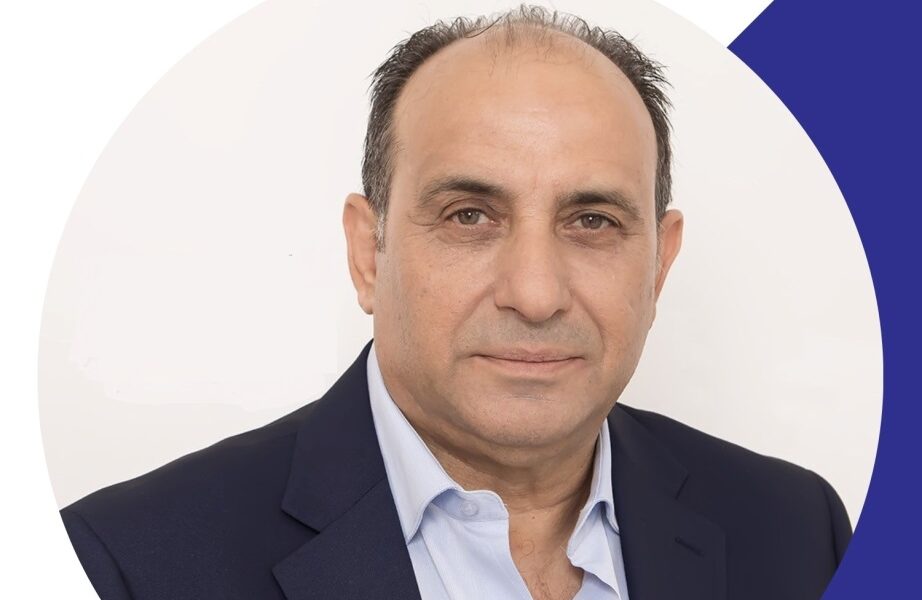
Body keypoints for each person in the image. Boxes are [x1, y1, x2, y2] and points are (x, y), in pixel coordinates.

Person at [60, 6, 851, 600]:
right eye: (469, 216)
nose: (535, 294)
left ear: (658, 267)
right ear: (368, 254)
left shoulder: (797, 533)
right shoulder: (121, 565)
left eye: (592, 221)